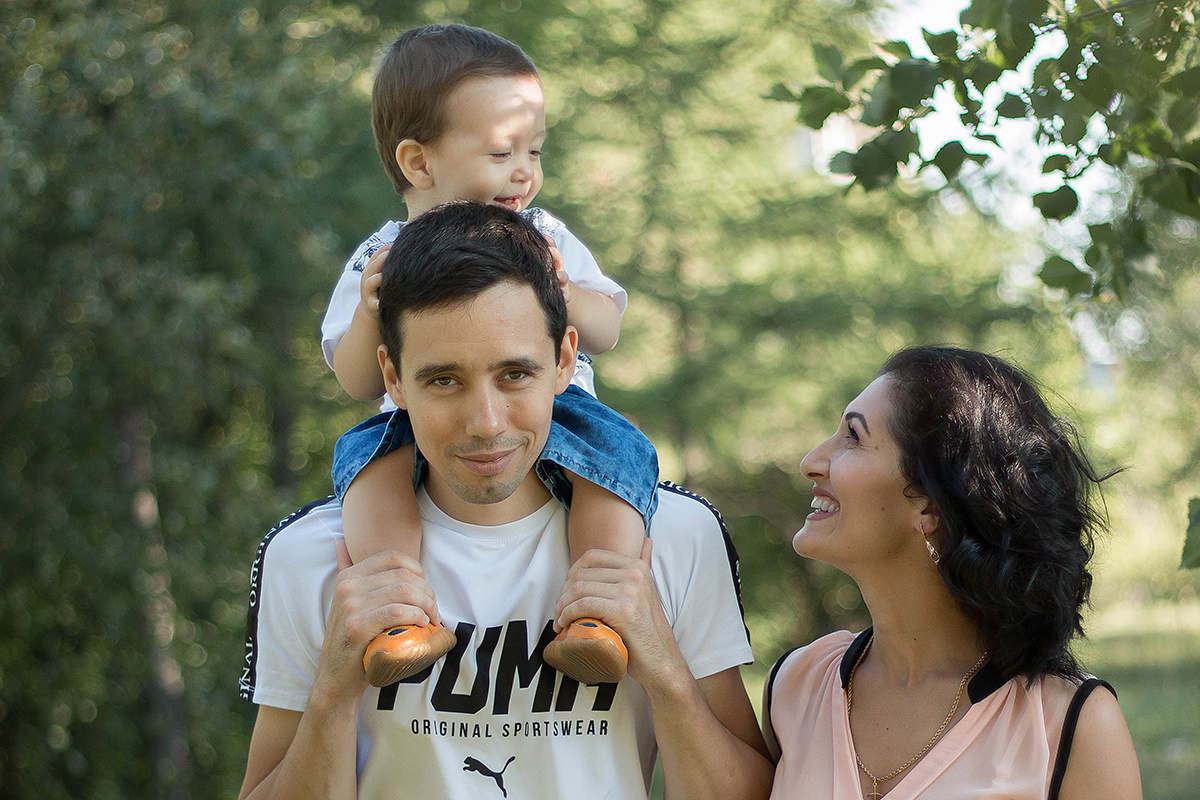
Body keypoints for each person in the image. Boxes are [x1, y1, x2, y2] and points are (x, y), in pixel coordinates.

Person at [238, 202, 773, 800]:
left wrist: (663, 667)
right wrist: (333, 692)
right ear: (392, 377)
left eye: (515, 374)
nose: (486, 422)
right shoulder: (311, 557)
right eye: (444, 380)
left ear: (565, 360)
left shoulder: (672, 536)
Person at [322, 23, 656, 688]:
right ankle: (400, 615)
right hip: (420, 420)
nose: (526, 171)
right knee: (365, 471)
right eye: (504, 152)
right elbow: (358, 380)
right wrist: (368, 312)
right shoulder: (381, 259)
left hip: (557, 408)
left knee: (618, 463)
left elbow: (607, 328)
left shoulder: (543, 234)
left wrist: (566, 290)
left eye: (535, 150)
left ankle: (596, 615)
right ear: (419, 164)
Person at [763, 346, 1142, 800]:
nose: (811, 461)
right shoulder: (797, 685)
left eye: (853, 437)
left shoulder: (1069, 724)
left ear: (930, 502)